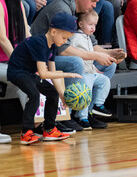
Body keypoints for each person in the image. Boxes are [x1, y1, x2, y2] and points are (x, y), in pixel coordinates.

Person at [31, 0, 124, 129]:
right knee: (75, 63)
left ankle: (85, 113)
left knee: (109, 65)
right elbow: (63, 50)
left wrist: (109, 53)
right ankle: (67, 113)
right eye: (93, 1)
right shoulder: (62, 9)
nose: (94, 5)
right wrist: (96, 56)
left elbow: (92, 44)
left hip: (54, 55)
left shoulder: (79, 11)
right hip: (40, 58)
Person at [7, 12, 82, 145]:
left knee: (52, 93)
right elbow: (43, 74)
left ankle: (49, 130)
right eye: (64, 38)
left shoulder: (52, 46)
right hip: (17, 72)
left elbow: (52, 71)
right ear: (53, 31)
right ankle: (26, 133)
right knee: (34, 94)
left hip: (29, 73)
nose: (65, 41)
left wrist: (62, 94)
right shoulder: (39, 43)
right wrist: (67, 74)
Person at [0, 0, 32, 143]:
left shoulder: (19, 3)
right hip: (3, 62)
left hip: (9, 62)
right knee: (23, 78)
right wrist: (19, 64)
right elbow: (3, 39)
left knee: (32, 79)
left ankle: (37, 125)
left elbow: (27, 34)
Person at [69, 10, 115, 129]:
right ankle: (82, 116)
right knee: (87, 90)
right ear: (80, 24)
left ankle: (97, 105)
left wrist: (94, 68)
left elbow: (90, 57)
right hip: (82, 73)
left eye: (95, 25)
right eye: (90, 24)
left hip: (90, 71)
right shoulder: (75, 36)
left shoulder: (88, 37)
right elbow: (74, 53)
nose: (93, 28)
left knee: (104, 81)